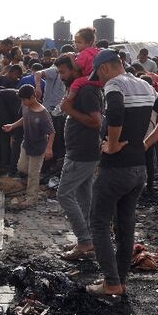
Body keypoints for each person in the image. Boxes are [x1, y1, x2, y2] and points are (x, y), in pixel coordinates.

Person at [86, 50, 158, 296]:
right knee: (126, 226)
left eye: (100, 75)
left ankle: (111, 282)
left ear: (105, 68)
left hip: (115, 168)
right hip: (139, 168)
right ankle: (120, 281)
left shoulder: (115, 85)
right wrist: (147, 143)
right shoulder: (145, 85)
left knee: (99, 222)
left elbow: (115, 112)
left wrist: (113, 144)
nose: (102, 81)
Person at [54, 54, 103, 260]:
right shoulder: (81, 90)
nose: (61, 76)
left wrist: (69, 110)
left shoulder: (86, 91)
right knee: (85, 196)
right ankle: (91, 239)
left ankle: (84, 241)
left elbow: (96, 122)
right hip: (82, 151)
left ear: (75, 70)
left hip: (82, 153)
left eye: (63, 72)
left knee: (64, 195)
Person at [0, 84, 55, 206]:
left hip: (39, 147)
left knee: (33, 174)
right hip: (26, 144)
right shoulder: (25, 107)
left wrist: (49, 148)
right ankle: (33, 188)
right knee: (21, 167)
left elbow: (51, 132)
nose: (22, 102)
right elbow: (25, 118)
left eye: (24, 99)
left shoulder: (43, 114)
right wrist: (12, 125)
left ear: (32, 97)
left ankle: (31, 198)